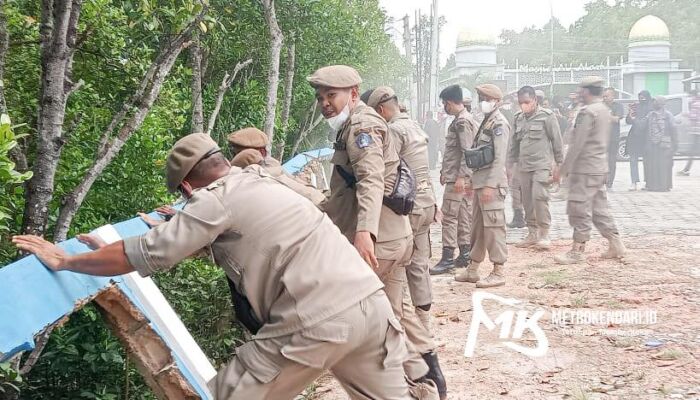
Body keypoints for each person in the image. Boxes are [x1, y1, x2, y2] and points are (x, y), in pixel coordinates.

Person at [14, 133, 421, 400]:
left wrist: (67, 260)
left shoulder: (212, 200)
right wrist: (180, 227)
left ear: (187, 187)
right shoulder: (262, 182)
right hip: (371, 306)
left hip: (315, 321)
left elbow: (140, 255)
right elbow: (251, 240)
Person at [307, 65, 444, 399]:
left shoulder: (361, 126)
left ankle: (400, 386)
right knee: (395, 311)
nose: (325, 103)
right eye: (321, 97)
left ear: (354, 93)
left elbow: (371, 180)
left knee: (364, 317)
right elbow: (346, 190)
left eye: (332, 96)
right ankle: (429, 375)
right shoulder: (351, 125)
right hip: (394, 236)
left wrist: (364, 232)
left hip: (378, 240)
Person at [367, 86, 439, 338]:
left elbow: (386, 170)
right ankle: (424, 321)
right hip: (426, 201)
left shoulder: (393, 130)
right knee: (419, 262)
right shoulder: (414, 125)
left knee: (401, 264)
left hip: (408, 206)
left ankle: (407, 324)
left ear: (381, 110)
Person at [555, 77, 626, 265]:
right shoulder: (603, 109)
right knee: (599, 208)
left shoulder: (588, 112)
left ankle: (577, 250)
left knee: (579, 208)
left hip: (585, 168)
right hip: (599, 167)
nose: (578, 93)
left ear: (586, 91)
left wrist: (563, 170)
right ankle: (615, 243)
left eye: (580, 90)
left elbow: (577, 144)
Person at [454, 84, 510, 288]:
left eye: (485, 98)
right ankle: (473, 268)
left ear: (496, 101)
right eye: (480, 98)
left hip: (491, 186)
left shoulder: (499, 124)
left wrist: (490, 186)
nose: (482, 102)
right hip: (480, 183)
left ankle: (498, 270)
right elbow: (479, 156)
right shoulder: (486, 121)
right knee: (477, 229)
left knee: (494, 228)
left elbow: (499, 159)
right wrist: (472, 181)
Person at [508, 86, 563, 250]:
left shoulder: (547, 116)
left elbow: (557, 142)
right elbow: (514, 144)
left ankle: (544, 234)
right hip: (524, 167)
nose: (523, 105)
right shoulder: (518, 118)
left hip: (541, 165)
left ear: (535, 100)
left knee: (540, 197)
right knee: (527, 201)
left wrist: (559, 166)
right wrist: (509, 165)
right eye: (520, 103)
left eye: (526, 102)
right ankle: (532, 233)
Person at [430, 84, 477, 276]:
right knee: (464, 215)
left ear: (450, 102)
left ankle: (448, 257)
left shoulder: (461, 122)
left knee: (449, 217)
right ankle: (465, 253)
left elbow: (468, 153)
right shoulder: (464, 119)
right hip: (460, 177)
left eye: (444, 104)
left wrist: (460, 177)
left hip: (458, 179)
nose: (444, 108)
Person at [643, 96, 677, 192]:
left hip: (664, 144)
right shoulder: (650, 114)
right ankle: (653, 186)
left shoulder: (668, 115)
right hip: (652, 145)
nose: (654, 104)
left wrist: (674, 144)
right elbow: (643, 126)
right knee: (653, 165)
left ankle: (664, 186)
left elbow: (673, 129)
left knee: (664, 166)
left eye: (656, 102)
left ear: (661, 103)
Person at [626, 90, 652, 191]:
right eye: (640, 97)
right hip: (634, 137)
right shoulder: (636, 106)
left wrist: (634, 119)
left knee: (647, 161)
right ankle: (634, 182)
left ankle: (647, 182)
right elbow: (628, 121)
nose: (642, 99)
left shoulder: (651, 108)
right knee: (633, 160)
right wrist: (630, 113)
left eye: (644, 97)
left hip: (645, 138)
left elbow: (644, 124)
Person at [603, 88, 625, 189]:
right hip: (601, 138)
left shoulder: (618, 106)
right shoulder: (601, 106)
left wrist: (607, 116)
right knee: (602, 160)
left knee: (612, 160)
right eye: (604, 96)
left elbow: (617, 119)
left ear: (613, 96)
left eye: (607, 96)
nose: (605, 97)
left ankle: (610, 181)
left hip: (613, 138)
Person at [677, 89, 700, 176]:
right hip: (696, 131)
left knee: (692, 151)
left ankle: (686, 170)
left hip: (696, 131)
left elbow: (694, 116)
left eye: (689, 96)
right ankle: (686, 169)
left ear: (692, 95)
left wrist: (686, 114)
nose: (688, 98)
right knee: (693, 151)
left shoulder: (695, 104)